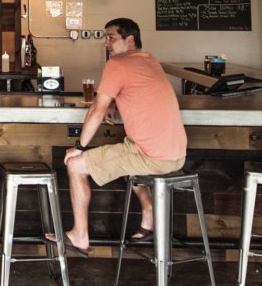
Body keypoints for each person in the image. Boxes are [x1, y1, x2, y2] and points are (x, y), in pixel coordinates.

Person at [56, 17, 186, 256]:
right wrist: (115, 103)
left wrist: (80, 146)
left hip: (151, 156)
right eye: (105, 38)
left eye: (111, 38)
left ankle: (80, 236)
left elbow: (96, 109)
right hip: (176, 154)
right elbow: (136, 90)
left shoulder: (117, 64)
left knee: (75, 166)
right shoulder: (149, 59)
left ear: (130, 40)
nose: (106, 43)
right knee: (126, 155)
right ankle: (149, 219)